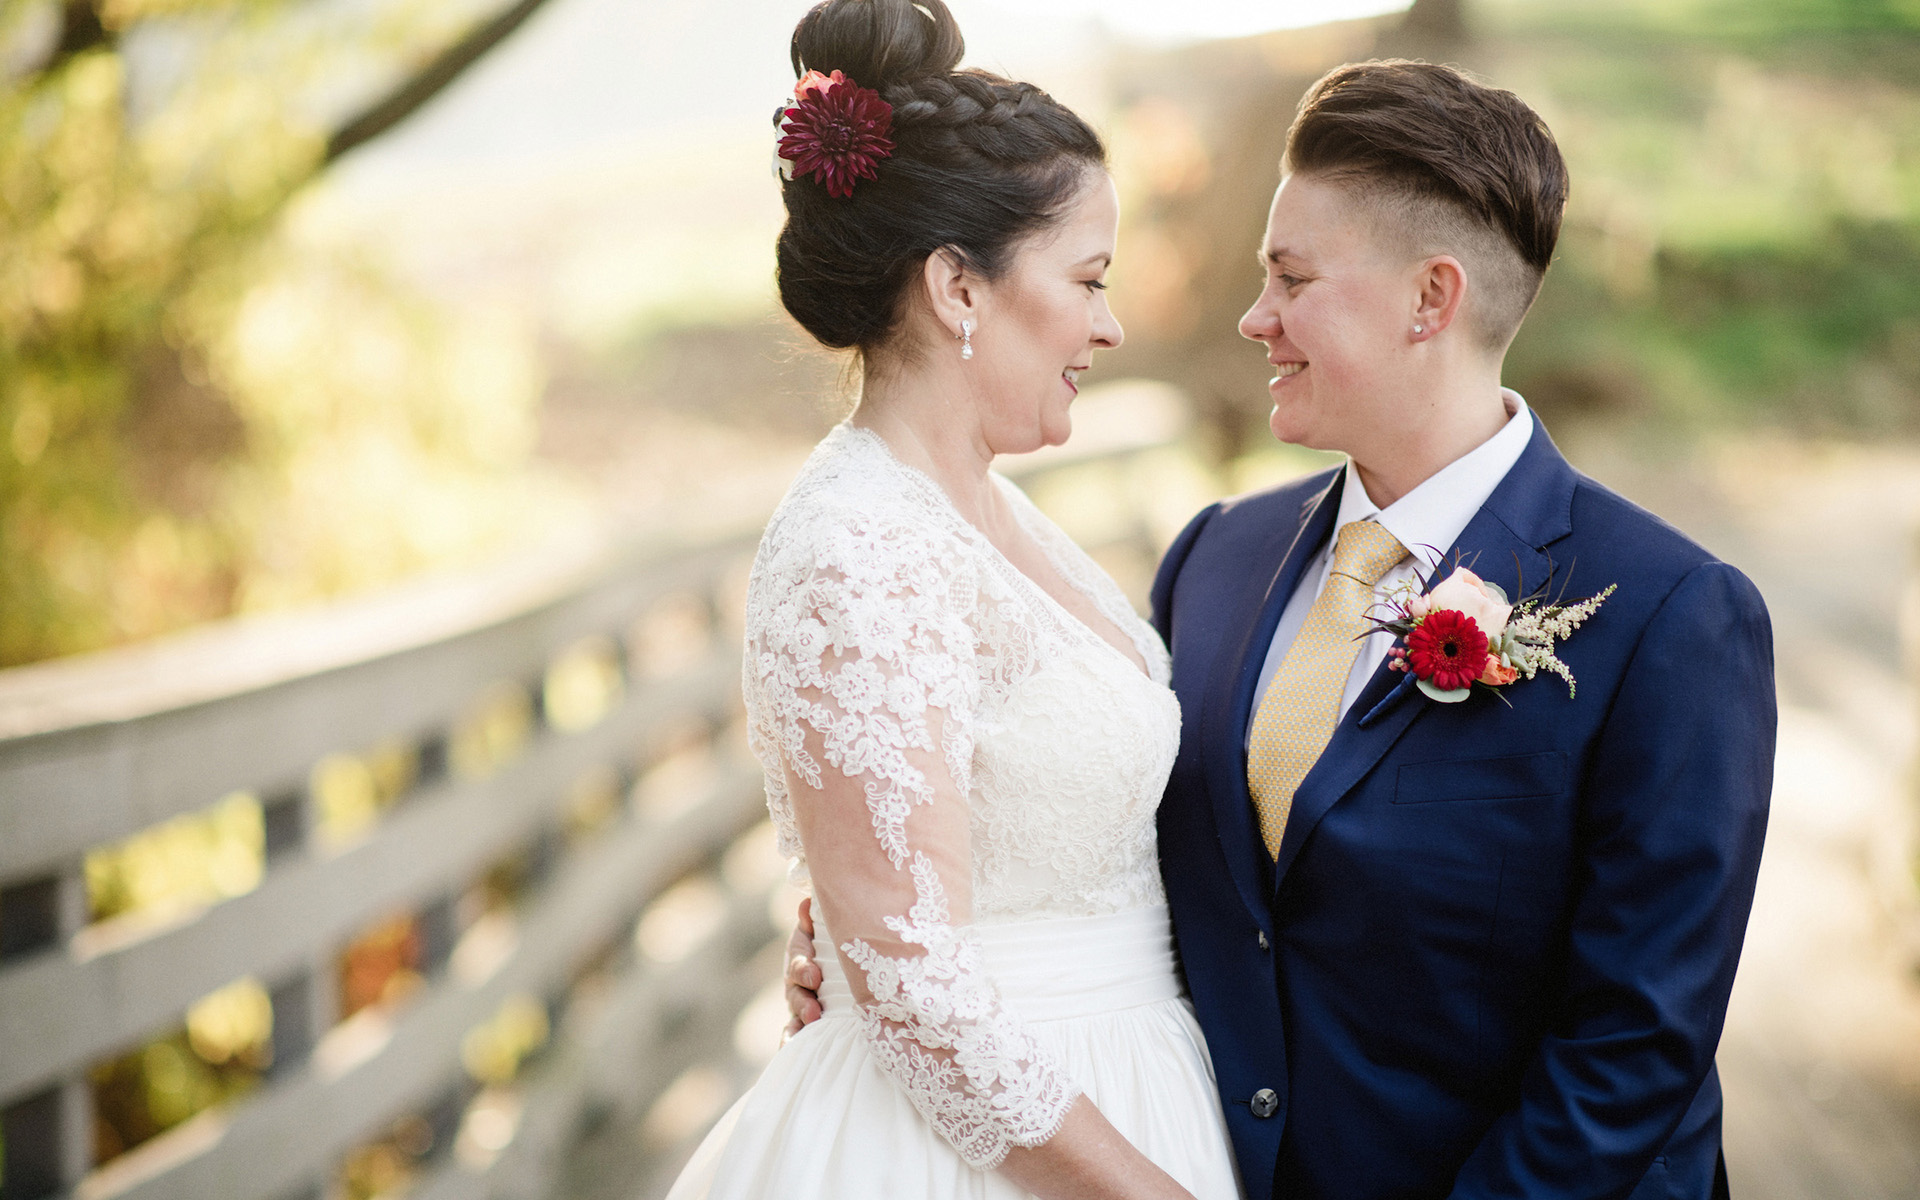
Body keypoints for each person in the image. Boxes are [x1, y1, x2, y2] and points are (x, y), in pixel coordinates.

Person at [791, 58, 1777, 1200]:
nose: (1254, 317)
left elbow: (1632, 1050)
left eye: (1292, 279)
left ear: (1431, 299)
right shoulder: (1217, 561)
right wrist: (872, 935)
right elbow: (1105, 832)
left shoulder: (1669, 618)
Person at [667, 2, 1240, 1198]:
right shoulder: (859, 547)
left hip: (1124, 1081)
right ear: (956, 287)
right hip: (990, 1152)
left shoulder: (988, 508)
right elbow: (915, 978)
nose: (1110, 324)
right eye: (1087, 279)